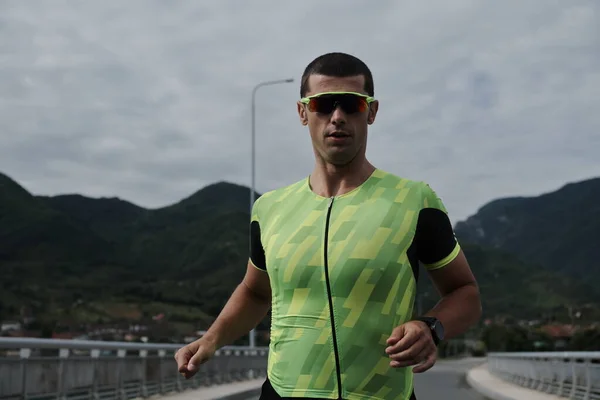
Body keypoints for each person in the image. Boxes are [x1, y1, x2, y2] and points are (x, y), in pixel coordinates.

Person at [175, 52, 482, 400]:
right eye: (323, 105)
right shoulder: (270, 209)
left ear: (373, 111)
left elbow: (465, 292)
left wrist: (431, 327)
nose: (337, 117)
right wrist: (210, 339)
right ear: (303, 113)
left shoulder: (413, 201)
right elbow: (256, 291)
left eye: (352, 105)